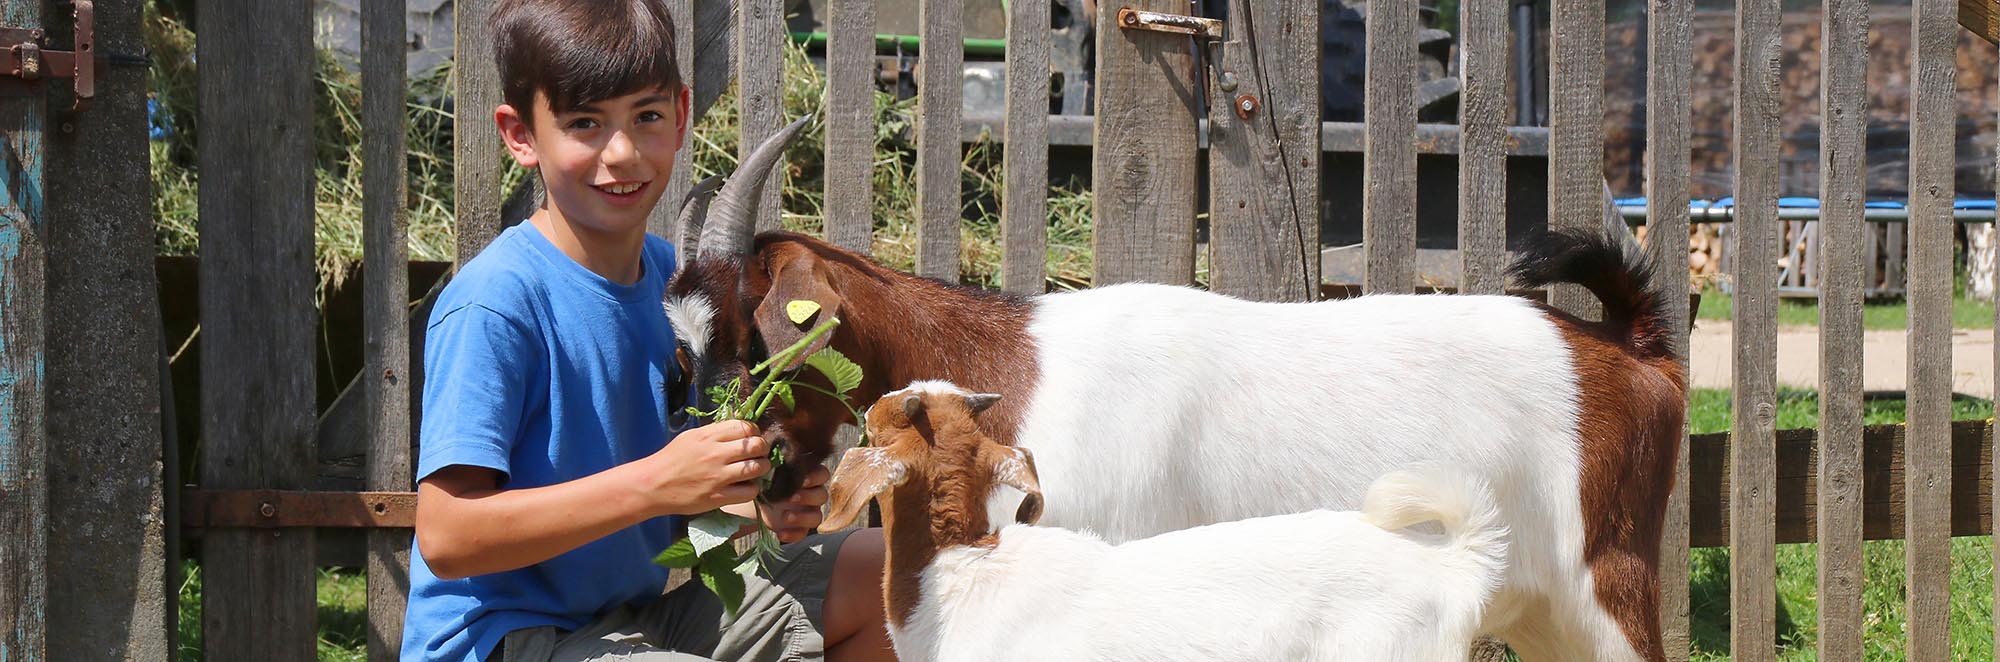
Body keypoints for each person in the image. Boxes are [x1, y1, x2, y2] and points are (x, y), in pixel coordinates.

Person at [399, 2, 893, 660]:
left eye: (647, 117)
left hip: (633, 620)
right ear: (521, 136)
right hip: (500, 641)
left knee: (893, 572)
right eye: (584, 123)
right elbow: (448, 537)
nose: (623, 151)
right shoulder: (497, 303)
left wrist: (759, 506)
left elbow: (683, 488)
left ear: (682, 115)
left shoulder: (674, 283)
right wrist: (655, 483)